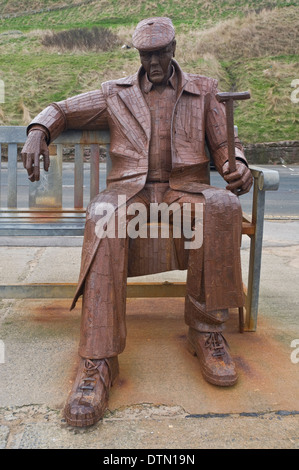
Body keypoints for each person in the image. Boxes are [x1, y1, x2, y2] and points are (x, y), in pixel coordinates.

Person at [21, 17, 253, 427]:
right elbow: (63, 109)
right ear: (139, 55)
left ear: (174, 48)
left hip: (187, 190)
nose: (155, 62)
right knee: (103, 215)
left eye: (161, 52)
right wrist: (40, 128)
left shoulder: (204, 90)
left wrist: (238, 165)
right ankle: (97, 361)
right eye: (147, 54)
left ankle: (207, 332)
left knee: (222, 207)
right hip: (132, 193)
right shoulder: (116, 93)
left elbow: (225, 144)